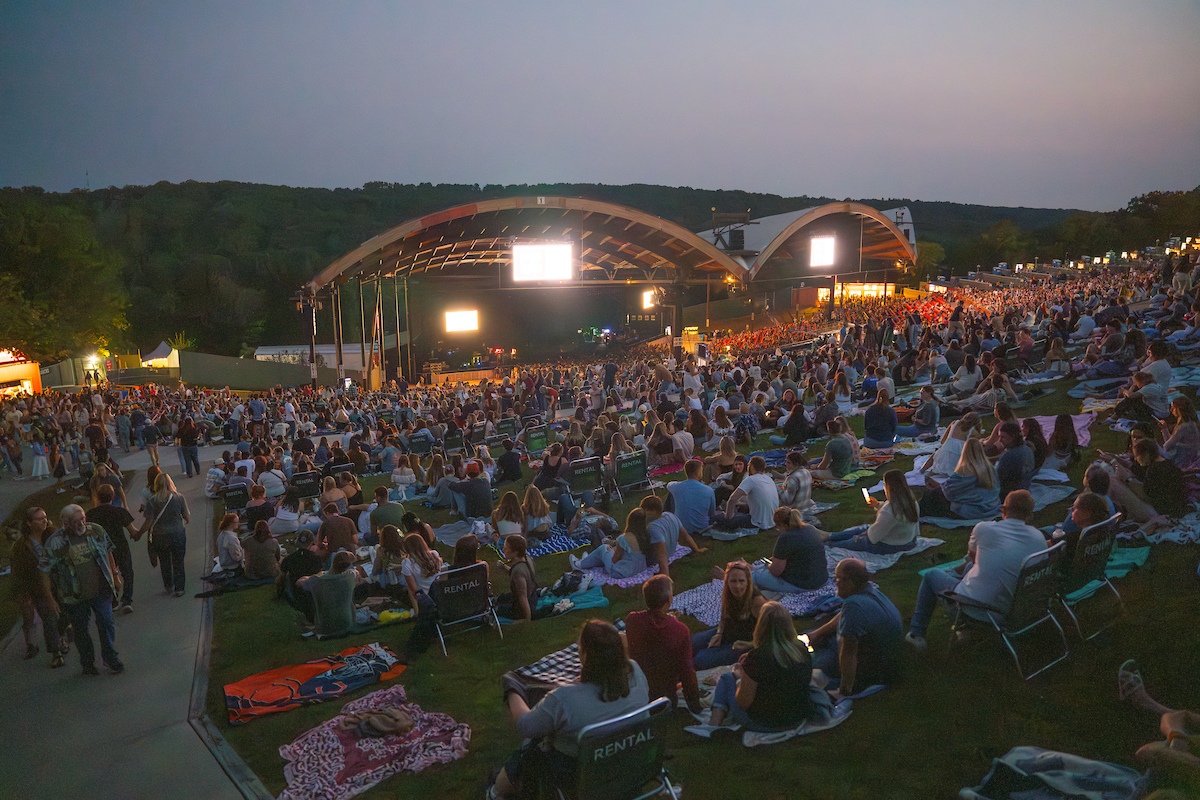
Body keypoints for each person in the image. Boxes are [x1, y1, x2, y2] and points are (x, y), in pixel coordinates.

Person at [492, 620, 650, 800]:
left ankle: (496, 791)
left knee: (529, 748)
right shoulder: (635, 671)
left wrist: (512, 689)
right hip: (629, 764)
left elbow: (525, 726)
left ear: (584, 654)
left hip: (579, 776)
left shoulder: (566, 699)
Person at [906, 489, 1046, 650]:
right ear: (1030, 515)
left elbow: (972, 556)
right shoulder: (1038, 538)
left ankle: (917, 635)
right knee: (973, 568)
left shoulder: (984, 529)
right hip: (1019, 608)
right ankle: (964, 629)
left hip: (982, 611)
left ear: (1003, 510)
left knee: (932, 575)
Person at [708, 601, 828, 732]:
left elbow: (743, 701)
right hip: (797, 718)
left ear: (761, 625)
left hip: (764, 723)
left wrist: (738, 678)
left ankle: (713, 727)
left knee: (726, 678)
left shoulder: (758, 658)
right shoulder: (801, 650)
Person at [805, 558, 903, 698]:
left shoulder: (854, 605)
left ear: (848, 581)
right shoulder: (871, 593)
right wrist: (817, 634)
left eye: (837, 578)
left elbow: (848, 653)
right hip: (883, 660)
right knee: (810, 637)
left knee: (806, 664)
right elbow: (842, 615)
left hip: (869, 672)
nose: (835, 583)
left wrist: (844, 690)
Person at [44, 504, 124, 676]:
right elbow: (45, 571)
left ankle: (111, 657)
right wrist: (50, 597)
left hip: (101, 589)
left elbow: (108, 551)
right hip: (74, 596)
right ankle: (88, 663)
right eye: (76, 521)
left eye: (83, 519)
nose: (81, 523)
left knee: (107, 622)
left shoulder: (96, 531)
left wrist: (115, 574)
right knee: (80, 630)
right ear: (64, 522)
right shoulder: (55, 542)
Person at [624, 575, 702, 713]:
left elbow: (653, 626)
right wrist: (695, 705)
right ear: (669, 600)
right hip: (663, 700)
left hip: (637, 691)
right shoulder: (680, 630)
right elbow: (687, 672)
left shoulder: (632, 620)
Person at [12, 507, 65, 667]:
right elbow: (18, 571)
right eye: (39, 518)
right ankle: (56, 652)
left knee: (63, 615)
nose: (44, 521)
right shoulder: (22, 546)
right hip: (38, 588)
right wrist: (24, 592)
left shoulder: (53, 535)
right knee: (49, 619)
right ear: (29, 523)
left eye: (45, 517)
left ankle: (61, 637)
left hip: (60, 584)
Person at [691, 561, 766, 669]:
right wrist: (719, 633)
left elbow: (770, 633)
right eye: (733, 581)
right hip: (728, 632)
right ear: (727, 582)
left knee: (700, 659)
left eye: (741, 581)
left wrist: (750, 645)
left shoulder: (756, 602)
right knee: (691, 643)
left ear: (748, 582)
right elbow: (724, 616)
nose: (737, 586)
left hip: (745, 643)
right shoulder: (728, 593)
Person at [827, 469, 920, 553]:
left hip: (892, 545)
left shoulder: (890, 510)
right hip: (909, 540)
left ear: (888, 487)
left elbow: (872, 538)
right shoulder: (911, 501)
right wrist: (877, 505)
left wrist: (861, 536)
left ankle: (829, 543)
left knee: (856, 540)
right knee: (864, 529)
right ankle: (829, 536)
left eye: (884, 484)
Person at [86, 483, 138, 613]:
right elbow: (133, 531)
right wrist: (140, 532)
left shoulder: (91, 515)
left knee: (106, 575)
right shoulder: (119, 512)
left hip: (101, 550)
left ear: (97, 497)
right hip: (120, 546)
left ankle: (113, 601)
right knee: (127, 573)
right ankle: (127, 600)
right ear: (113, 496)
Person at [919, 439, 1001, 520]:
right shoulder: (991, 469)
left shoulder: (964, 471)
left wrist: (935, 485)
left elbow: (949, 493)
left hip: (971, 511)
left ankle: (915, 511)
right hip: (990, 507)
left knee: (932, 496)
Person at [752, 507, 829, 594]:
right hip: (822, 580)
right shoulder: (810, 529)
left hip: (803, 586)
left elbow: (775, 571)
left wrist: (768, 565)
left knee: (755, 575)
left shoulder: (785, 538)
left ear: (780, 525)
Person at [139, 472, 190, 597]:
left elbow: (149, 520)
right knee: (178, 561)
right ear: (170, 483)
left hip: (160, 536)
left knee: (164, 560)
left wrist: (138, 533)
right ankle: (180, 588)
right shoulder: (179, 497)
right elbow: (186, 516)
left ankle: (168, 585)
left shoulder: (152, 500)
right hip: (177, 534)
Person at [297, 551, 364, 638]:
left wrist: (312, 577)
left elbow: (298, 583)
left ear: (333, 561)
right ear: (347, 566)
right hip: (346, 624)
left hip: (325, 627)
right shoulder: (350, 576)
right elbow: (356, 573)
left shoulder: (317, 580)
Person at [569, 508, 651, 579]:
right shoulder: (647, 536)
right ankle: (588, 561)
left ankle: (579, 565)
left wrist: (610, 551)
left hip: (620, 573)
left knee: (604, 548)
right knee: (608, 550)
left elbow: (614, 560)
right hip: (639, 569)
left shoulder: (624, 538)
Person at [640, 494, 707, 576]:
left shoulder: (653, 528)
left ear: (650, 510)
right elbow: (686, 536)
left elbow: (662, 553)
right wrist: (697, 550)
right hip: (671, 551)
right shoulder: (670, 515)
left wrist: (665, 574)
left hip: (653, 560)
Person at [717, 454, 780, 530]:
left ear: (751, 466)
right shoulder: (769, 479)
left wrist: (727, 518)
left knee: (718, 518)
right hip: (772, 521)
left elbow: (732, 499)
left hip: (758, 522)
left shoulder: (751, 479)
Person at [921, 412, 981, 476]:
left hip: (945, 453)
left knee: (936, 454)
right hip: (959, 457)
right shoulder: (973, 431)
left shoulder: (954, 423)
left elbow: (942, 441)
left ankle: (923, 470)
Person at [667, 459, 716, 533]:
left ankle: (667, 517)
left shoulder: (677, 487)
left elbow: (669, 484)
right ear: (698, 472)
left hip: (681, 527)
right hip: (702, 526)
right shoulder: (708, 490)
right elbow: (712, 513)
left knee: (672, 494)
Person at [496, 534, 538, 622]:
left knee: (495, 609)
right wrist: (504, 567)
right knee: (500, 598)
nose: (503, 550)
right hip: (533, 596)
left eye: (506, 548)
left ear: (515, 552)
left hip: (521, 608)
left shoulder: (518, 572)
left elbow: (523, 598)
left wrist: (526, 619)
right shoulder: (526, 558)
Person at [995, 421, 1036, 501]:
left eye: (1003, 437)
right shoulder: (1028, 449)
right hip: (1026, 489)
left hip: (1009, 496)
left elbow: (997, 480)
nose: (1000, 440)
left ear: (1013, 437)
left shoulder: (1008, 456)